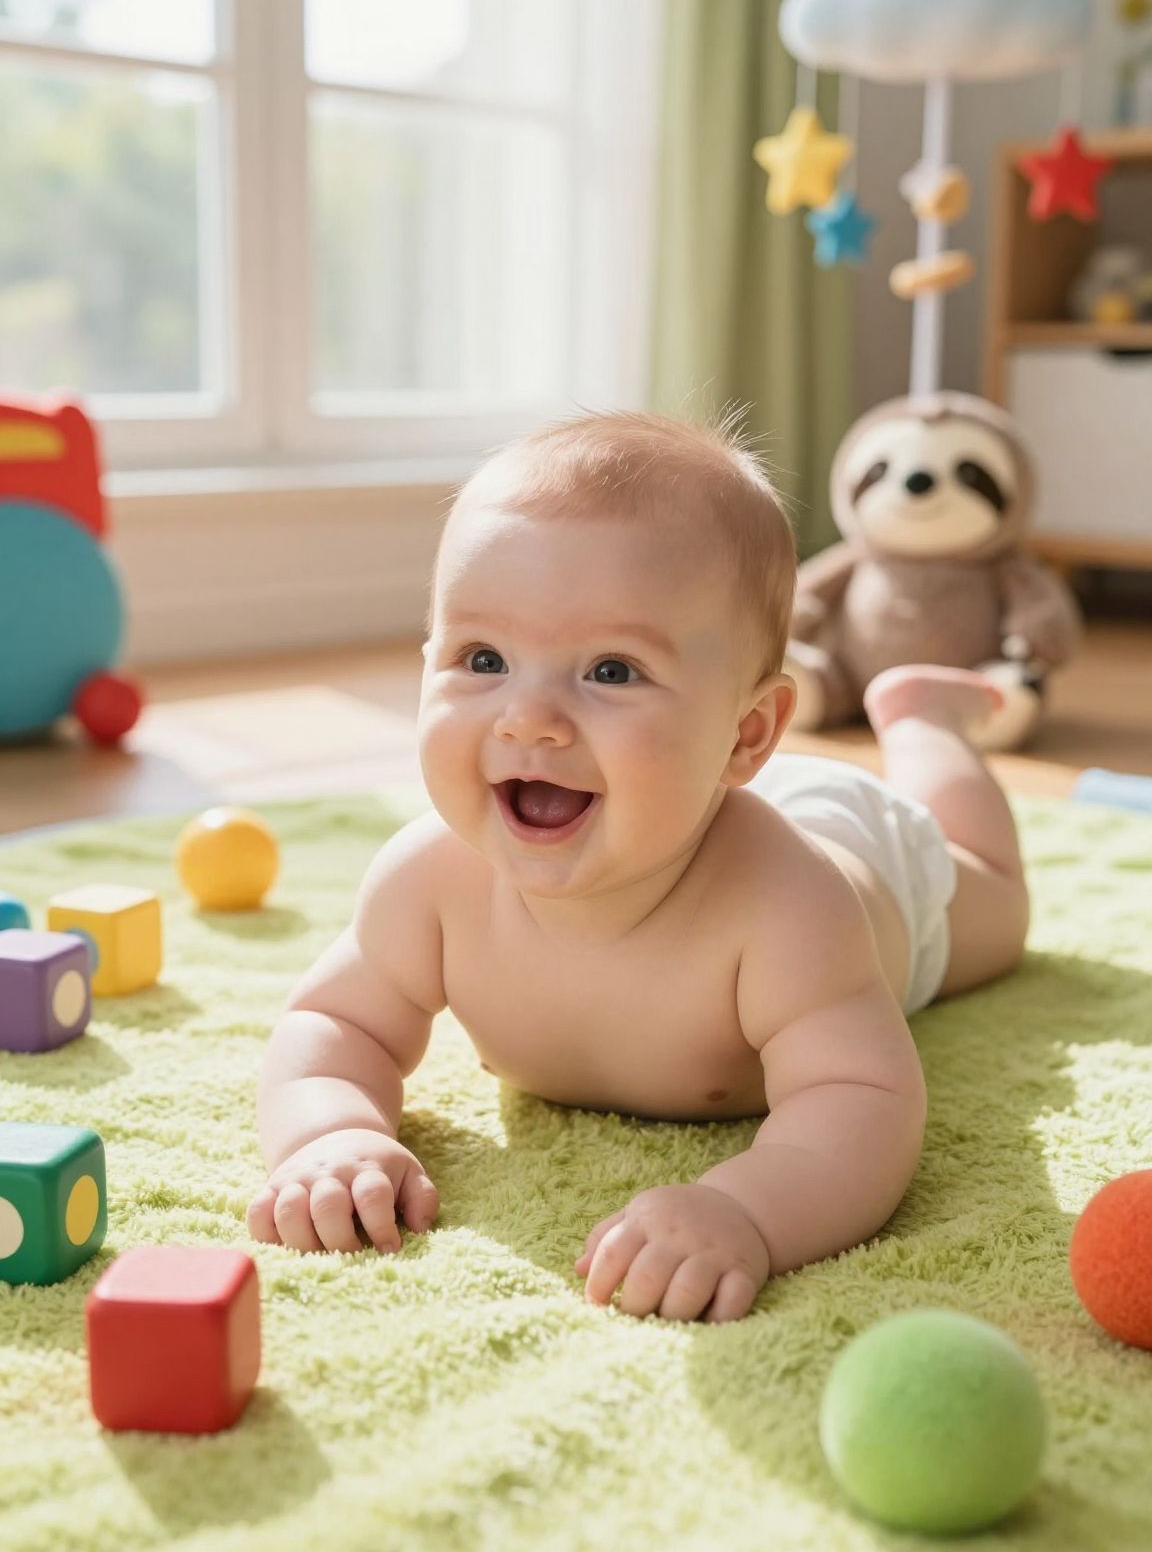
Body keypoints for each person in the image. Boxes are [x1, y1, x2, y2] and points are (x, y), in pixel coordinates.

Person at [248, 412, 1029, 1323]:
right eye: (484, 659)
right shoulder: (429, 882)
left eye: (611, 671)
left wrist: (745, 1209)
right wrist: (330, 1130)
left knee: (997, 907)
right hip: (693, 796)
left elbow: (863, 1099)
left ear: (746, 735)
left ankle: (926, 725)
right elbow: (335, 1022)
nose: (528, 718)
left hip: (868, 862)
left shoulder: (787, 909)